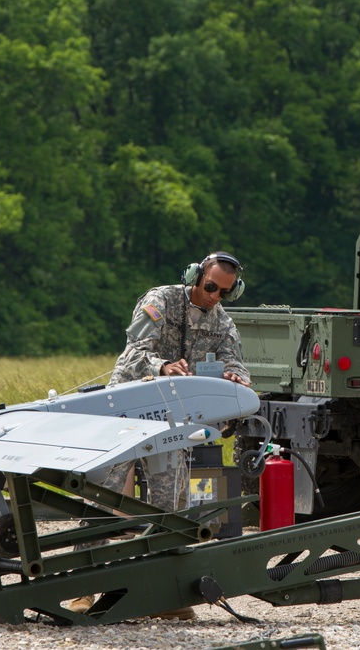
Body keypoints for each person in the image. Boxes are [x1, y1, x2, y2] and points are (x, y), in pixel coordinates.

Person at [69, 251, 251, 620]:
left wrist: (233, 376)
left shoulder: (222, 322)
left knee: (171, 505)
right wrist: (162, 366)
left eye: (225, 292)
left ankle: (161, 596)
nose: (215, 296)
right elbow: (134, 351)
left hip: (170, 421)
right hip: (125, 411)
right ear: (196, 277)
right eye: (211, 287)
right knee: (100, 501)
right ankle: (81, 591)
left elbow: (235, 361)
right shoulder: (160, 301)